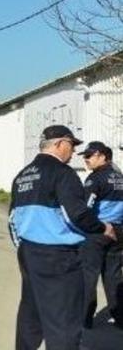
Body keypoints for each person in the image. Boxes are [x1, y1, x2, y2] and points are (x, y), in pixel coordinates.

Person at [9, 125, 118, 350]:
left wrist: (23, 248)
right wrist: (101, 228)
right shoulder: (63, 173)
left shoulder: (22, 175)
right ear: (59, 144)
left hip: (29, 253)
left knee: (31, 313)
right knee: (64, 321)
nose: (73, 152)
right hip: (59, 258)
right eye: (72, 145)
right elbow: (75, 214)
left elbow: (12, 219)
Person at [78, 141, 123, 329]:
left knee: (88, 275)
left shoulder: (94, 179)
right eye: (85, 156)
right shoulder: (120, 177)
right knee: (114, 276)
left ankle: (85, 318)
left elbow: (85, 208)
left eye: (90, 156)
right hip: (119, 232)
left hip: (98, 231)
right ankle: (120, 317)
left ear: (103, 156)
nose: (86, 159)